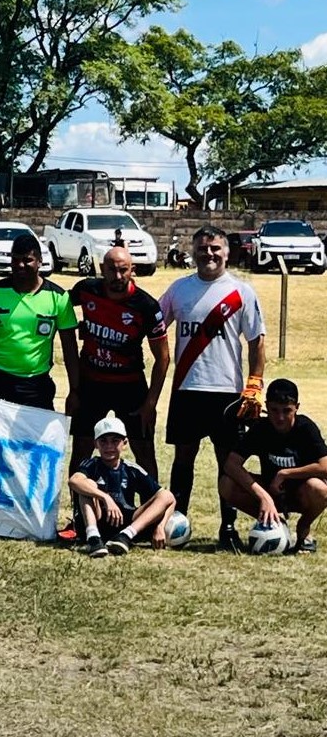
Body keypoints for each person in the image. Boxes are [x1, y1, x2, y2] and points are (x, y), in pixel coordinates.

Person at [159, 224, 266, 552]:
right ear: (193, 251)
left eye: (215, 248)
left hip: (226, 392)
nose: (209, 254)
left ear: (227, 252)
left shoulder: (241, 292)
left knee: (227, 462)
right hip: (187, 388)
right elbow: (154, 325)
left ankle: (228, 527)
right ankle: (177, 522)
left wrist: (255, 384)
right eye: (203, 248)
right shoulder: (179, 289)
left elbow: (257, 342)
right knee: (183, 458)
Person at [68, 246, 170, 481]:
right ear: (101, 269)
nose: (117, 276)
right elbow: (55, 305)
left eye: (123, 270)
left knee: (144, 452)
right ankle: (79, 503)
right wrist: (74, 390)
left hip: (130, 386)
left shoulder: (146, 306)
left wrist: (150, 403)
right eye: (111, 270)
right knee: (81, 449)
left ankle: (152, 502)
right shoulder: (86, 290)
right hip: (91, 383)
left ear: (132, 270)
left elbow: (163, 358)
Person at [0, 233, 80, 410]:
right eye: (15, 259)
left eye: (27, 260)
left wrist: (74, 390)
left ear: (40, 261)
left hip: (35, 384)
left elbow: (70, 348)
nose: (20, 265)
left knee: (37, 429)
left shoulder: (58, 297)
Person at [219, 379, 327, 554]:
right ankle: (275, 523)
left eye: (287, 411)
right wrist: (263, 497)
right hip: (271, 491)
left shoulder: (305, 428)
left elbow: (325, 466)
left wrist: (285, 474)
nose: (280, 417)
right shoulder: (261, 428)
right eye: (274, 410)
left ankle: (304, 527)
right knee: (226, 484)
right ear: (267, 407)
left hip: (301, 493)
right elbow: (231, 464)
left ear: (297, 408)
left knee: (319, 488)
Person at [68, 414, 176, 558]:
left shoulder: (131, 469)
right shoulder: (91, 464)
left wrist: (160, 526)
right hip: (98, 518)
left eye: (115, 441)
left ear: (125, 443)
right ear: (96, 444)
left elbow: (170, 500)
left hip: (124, 522)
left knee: (166, 494)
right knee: (87, 484)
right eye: (103, 441)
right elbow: (74, 481)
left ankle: (126, 536)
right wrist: (106, 498)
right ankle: (93, 538)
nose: (109, 446)